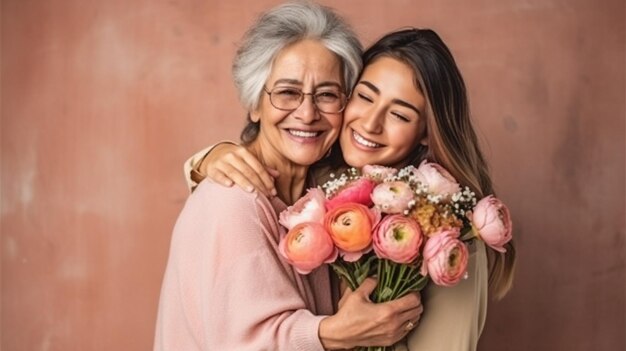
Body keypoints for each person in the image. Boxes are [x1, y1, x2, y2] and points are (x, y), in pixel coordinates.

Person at [186, 28, 517, 350]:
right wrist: (207, 160)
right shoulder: (320, 183)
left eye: (400, 115)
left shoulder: (450, 240)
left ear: (427, 133)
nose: (371, 123)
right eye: (365, 96)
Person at [154, 2, 423, 350]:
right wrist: (330, 334)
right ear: (254, 103)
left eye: (327, 94)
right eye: (287, 93)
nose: (307, 113)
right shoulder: (233, 200)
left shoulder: (323, 194)